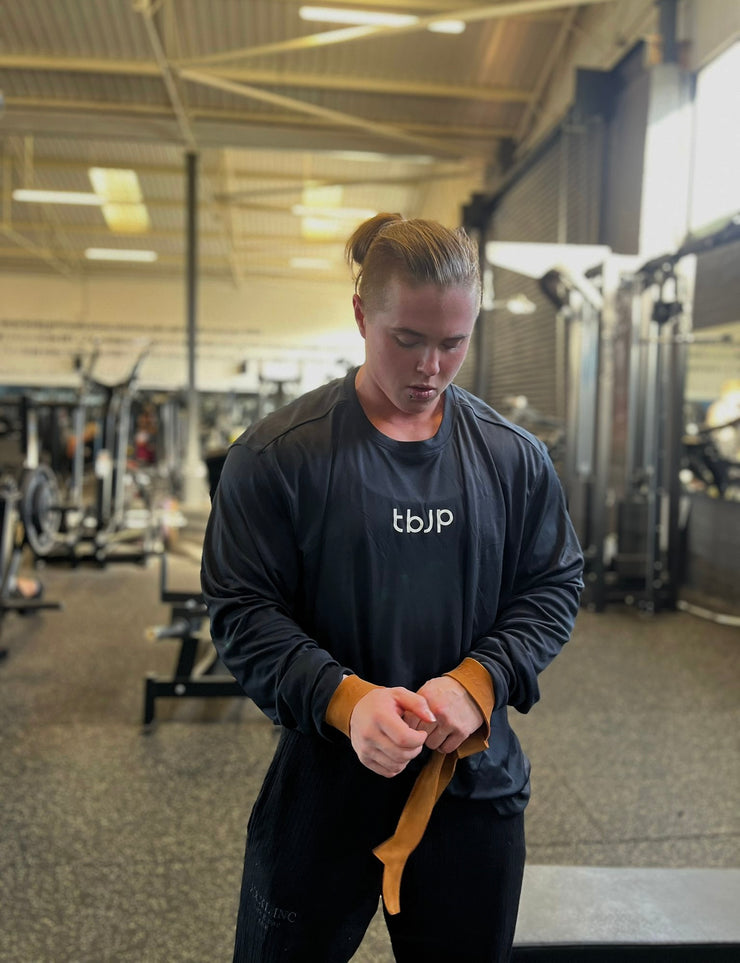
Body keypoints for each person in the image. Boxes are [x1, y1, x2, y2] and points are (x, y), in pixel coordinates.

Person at [201, 212, 584, 963]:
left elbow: (551, 585)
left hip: (470, 789)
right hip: (323, 787)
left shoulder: (513, 459)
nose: (431, 367)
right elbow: (244, 609)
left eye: (454, 342)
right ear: (359, 316)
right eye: (407, 339)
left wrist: (476, 683)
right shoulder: (279, 456)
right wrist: (347, 699)